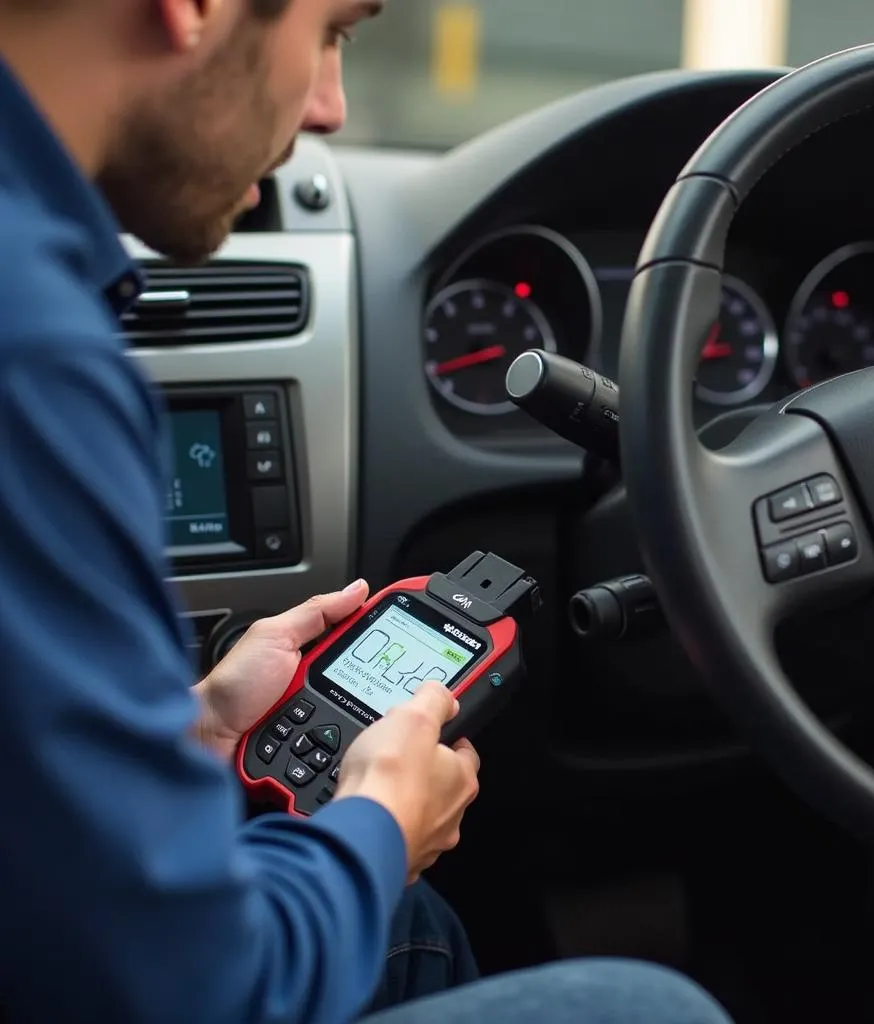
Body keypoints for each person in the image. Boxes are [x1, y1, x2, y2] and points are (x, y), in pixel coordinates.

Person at [0, 1, 735, 1022]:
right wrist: (381, 819)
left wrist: (197, 736)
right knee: (647, 1006)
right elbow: (194, 984)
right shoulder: (31, 348)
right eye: (331, 31)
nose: (332, 108)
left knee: (399, 921)